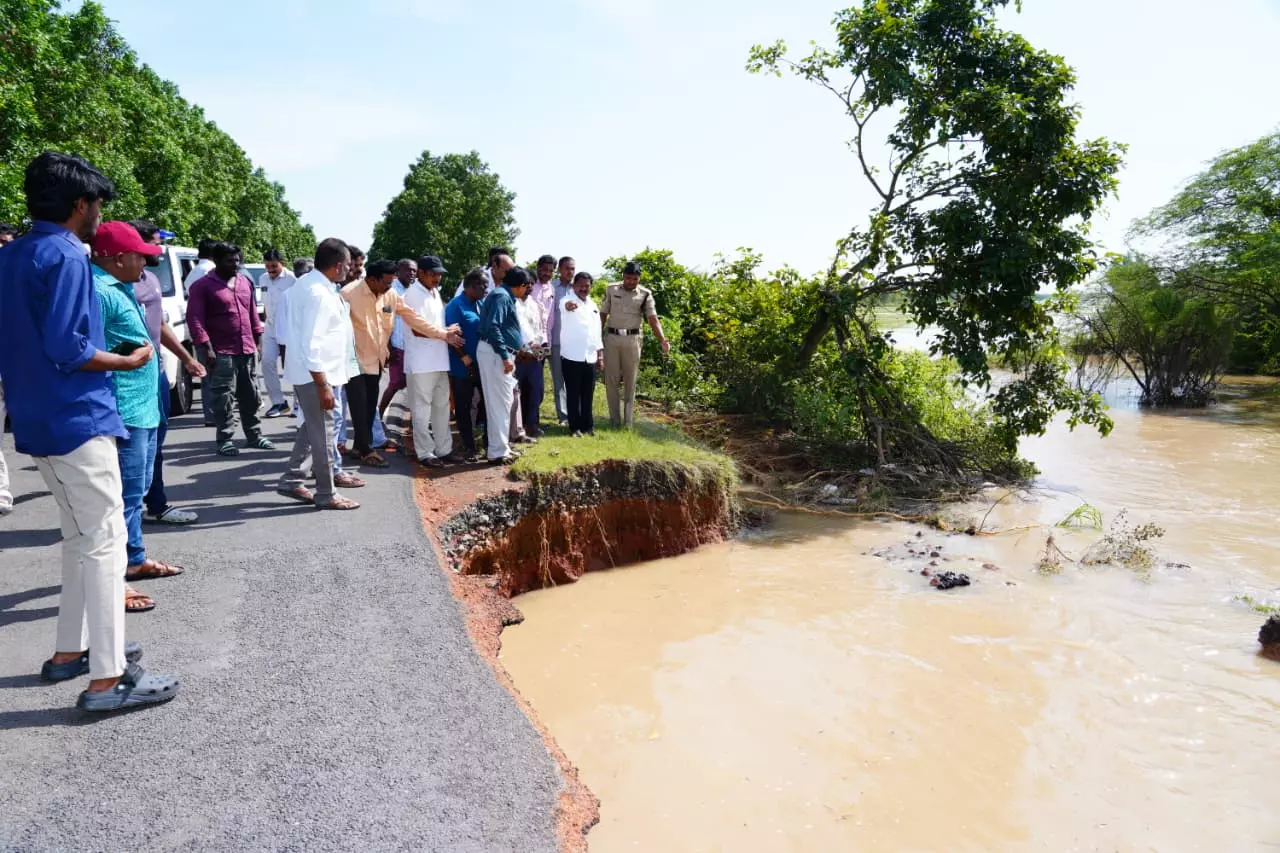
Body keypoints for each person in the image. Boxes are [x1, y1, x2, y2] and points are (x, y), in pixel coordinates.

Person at [0, 151, 178, 711]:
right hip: (77, 415)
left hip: (36, 416)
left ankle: (69, 651)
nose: (99, 215)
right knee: (103, 543)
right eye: (98, 204)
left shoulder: (15, 255)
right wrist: (125, 363)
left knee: (79, 537)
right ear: (81, 205)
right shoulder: (68, 256)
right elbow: (67, 348)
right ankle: (108, 676)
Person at [91, 222, 187, 614]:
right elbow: (82, 354)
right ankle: (116, 580)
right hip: (124, 410)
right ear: (118, 258)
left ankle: (134, 557)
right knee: (120, 499)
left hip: (144, 405)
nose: (146, 263)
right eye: (141, 257)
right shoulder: (98, 293)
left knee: (138, 489)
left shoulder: (123, 286)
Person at [343, 257, 459, 468]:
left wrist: (443, 333)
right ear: (371, 279)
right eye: (386, 283)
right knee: (359, 407)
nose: (390, 287)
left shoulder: (392, 295)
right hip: (353, 361)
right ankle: (366, 450)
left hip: (376, 360)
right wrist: (444, 334)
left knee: (369, 406)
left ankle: (360, 446)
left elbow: (413, 318)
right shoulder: (349, 294)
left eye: (391, 282)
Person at [128, 219, 205, 526]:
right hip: (127, 376)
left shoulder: (151, 279)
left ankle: (155, 505)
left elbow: (159, 324)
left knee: (156, 441)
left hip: (155, 371)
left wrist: (186, 358)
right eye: (154, 241)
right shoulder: (115, 282)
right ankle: (127, 516)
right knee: (132, 446)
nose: (159, 248)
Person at [276, 239, 361, 510]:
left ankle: (292, 479)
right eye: (348, 265)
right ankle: (326, 493)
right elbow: (312, 344)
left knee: (311, 428)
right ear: (337, 266)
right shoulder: (317, 294)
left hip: (319, 373)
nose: (349, 270)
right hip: (316, 376)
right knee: (323, 433)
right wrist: (323, 384)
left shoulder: (313, 285)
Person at [187, 242, 273, 456]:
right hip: (221, 351)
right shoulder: (203, 286)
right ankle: (225, 439)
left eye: (237, 260)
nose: (235, 264)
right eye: (229, 260)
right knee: (223, 397)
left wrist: (258, 340)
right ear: (216, 261)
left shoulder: (245, 282)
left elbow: (253, 313)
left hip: (246, 348)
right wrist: (206, 348)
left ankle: (254, 436)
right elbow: (195, 319)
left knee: (251, 394)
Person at [401, 256, 466, 467]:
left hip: (439, 359)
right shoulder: (412, 294)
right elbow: (417, 330)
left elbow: (436, 327)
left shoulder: (434, 292)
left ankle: (444, 449)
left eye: (439, 274)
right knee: (421, 409)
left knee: (442, 407)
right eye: (432, 273)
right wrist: (445, 333)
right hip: (420, 363)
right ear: (420, 273)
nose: (437, 278)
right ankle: (425, 453)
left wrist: (449, 331)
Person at [600, 260, 670, 428]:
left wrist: (662, 339)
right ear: (623, 276)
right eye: (628, 278)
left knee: (631, 381)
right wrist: (595, 339)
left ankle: (628, 422)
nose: (631, 282)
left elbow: (653, 319)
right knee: (611, 380)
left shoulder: (645, 294)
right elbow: (602, 315)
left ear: (639, 278)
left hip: (633, 340)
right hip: (612, 338)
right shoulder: (611, 289)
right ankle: (614, 421)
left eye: (635, 279)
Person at [476, 264, 531, 464]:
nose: (527, 290)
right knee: (499, 404)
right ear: (521, 285)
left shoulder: (503, 294)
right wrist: (505, 356)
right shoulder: (502, 296)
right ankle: (498, 452)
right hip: (496, 353)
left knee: (500, 403)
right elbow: (493, 326)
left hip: (496, 352)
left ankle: (500, 449)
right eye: (527, 286)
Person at [446, 267, 488, 462]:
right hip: (462, 365)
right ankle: (468, 446)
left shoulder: (480, 304)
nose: (486, 288)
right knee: (463, 407)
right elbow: (451, 335)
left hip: (482, 364)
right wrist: (464, 357)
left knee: (486, 404)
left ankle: (488, 444)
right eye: (483, 285)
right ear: (471, 286)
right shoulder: (456, 305)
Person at [559, 272, 605, 436]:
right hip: (572, 356)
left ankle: (588, 426)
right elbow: (565, 306)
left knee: (588, 394)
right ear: (573, 286)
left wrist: (600, 356)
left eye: (587, 286)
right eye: (580, 285)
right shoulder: (566, 300)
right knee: (573, 393)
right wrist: (569, 305)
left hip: (590, 356)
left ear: (591, 287)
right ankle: (574, 427)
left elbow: (597, 332)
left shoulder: (593, 305)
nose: (583, 289)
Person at [184, 238, 219, 426]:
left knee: (207, 373)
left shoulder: (193, 273)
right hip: (211, 329)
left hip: (198, 329)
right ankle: (214, 414)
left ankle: (210, 414)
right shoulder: (211, 272)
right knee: (215, 374)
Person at [377, 258, 417, 427]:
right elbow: (384, 321)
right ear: (398, 271)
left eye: (414, 270)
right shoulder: (391, 291)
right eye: (408, 270)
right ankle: (377, 418)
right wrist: (388, 347)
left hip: (413, 346)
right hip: (397, 345)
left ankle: (414, 423)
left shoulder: (415, 290)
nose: (412, 273)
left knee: (414, 385)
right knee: (395, 384)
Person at [516, 260, 552, 437]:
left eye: (531, 283)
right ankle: (517, 428)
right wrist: (522, 349)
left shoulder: (534, 304)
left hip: (536, 355)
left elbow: (540, 328)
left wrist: (541, 346)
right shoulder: (512, 303)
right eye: (526, 283)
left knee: (536, 392)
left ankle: (532, 425)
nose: (529, 286)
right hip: (518, 356)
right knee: (517, 393)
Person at [259, 248, 296, 418]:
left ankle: (299, 405)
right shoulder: (263, 278)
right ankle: (279, 403)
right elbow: (266, 305)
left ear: (283, 263)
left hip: (289, 330)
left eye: (274, 266)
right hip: (270, 328)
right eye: (267, 266)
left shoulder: (292, 280)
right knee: (266, 363)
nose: (270, 270)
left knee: (292, 367)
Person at [547, 256, 576, 425]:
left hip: (573, 343)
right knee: (559, 381)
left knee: (573, 380)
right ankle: (563, 416)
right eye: (567, 268)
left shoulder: (578, 288)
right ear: (559, 270)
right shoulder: (551, 288)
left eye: (572, 269)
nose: (570, 272)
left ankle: (575, 414)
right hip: (556, 341)